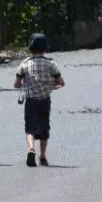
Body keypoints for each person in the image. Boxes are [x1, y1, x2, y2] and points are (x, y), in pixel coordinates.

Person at [14, 33, 64, 167]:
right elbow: (61, 82)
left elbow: (17, 83)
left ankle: (31, 148)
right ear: (45, 48)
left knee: (30, 128)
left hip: (30, 101)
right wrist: (52, 86)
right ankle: (42, 156)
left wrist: (25, 84)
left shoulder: (25, 64)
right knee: (44, 127)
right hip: (45, 100)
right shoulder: (50, 64)